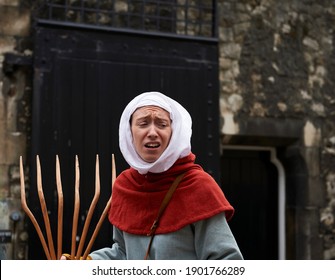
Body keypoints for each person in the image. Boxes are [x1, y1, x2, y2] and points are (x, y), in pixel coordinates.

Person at [64, 91, 243, 260]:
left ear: (173, 132)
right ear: (130, 132)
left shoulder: (198, 186)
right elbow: (123, 253)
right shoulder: (125, 185)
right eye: (143, 123)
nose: (152, 133)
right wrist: (86, 262)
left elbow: (226, 261)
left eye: (162, 124)